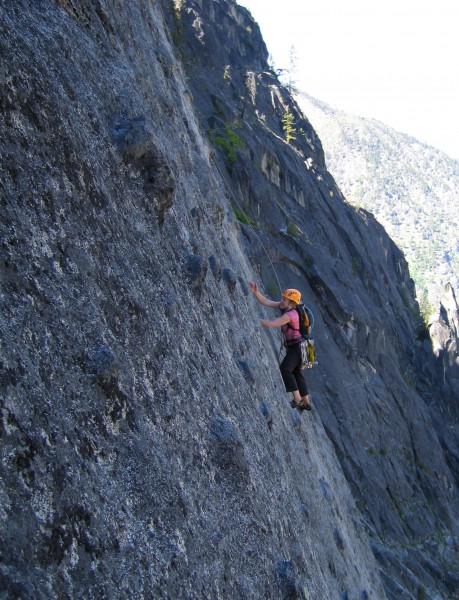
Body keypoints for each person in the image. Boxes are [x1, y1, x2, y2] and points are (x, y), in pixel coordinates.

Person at [249, 282, 311, 411]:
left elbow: (271, 325)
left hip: (298, 347)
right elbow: (266, 302)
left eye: (284, 299)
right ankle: (306, 402)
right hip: (305, 346)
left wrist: (253, 318)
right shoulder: (289, 307)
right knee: (297, 372)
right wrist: (256, 292)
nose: (281, 301)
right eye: (283, 298)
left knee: (286, 369)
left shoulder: (290, 315)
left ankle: (297, 399)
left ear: (292, 303)